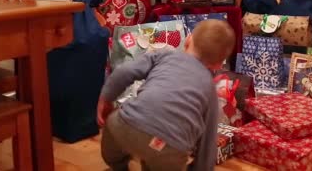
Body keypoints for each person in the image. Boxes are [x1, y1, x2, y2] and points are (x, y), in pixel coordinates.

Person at [97, 20, 236, 171]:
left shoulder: (164, 55)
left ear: (188, 40)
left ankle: (118, 167)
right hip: (169, 147)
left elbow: (124, 72)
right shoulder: (210, 90)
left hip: (127, 126)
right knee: (162, 161)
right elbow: (208, 142)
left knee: (114, 133)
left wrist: (106, 98)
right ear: (218, 65)